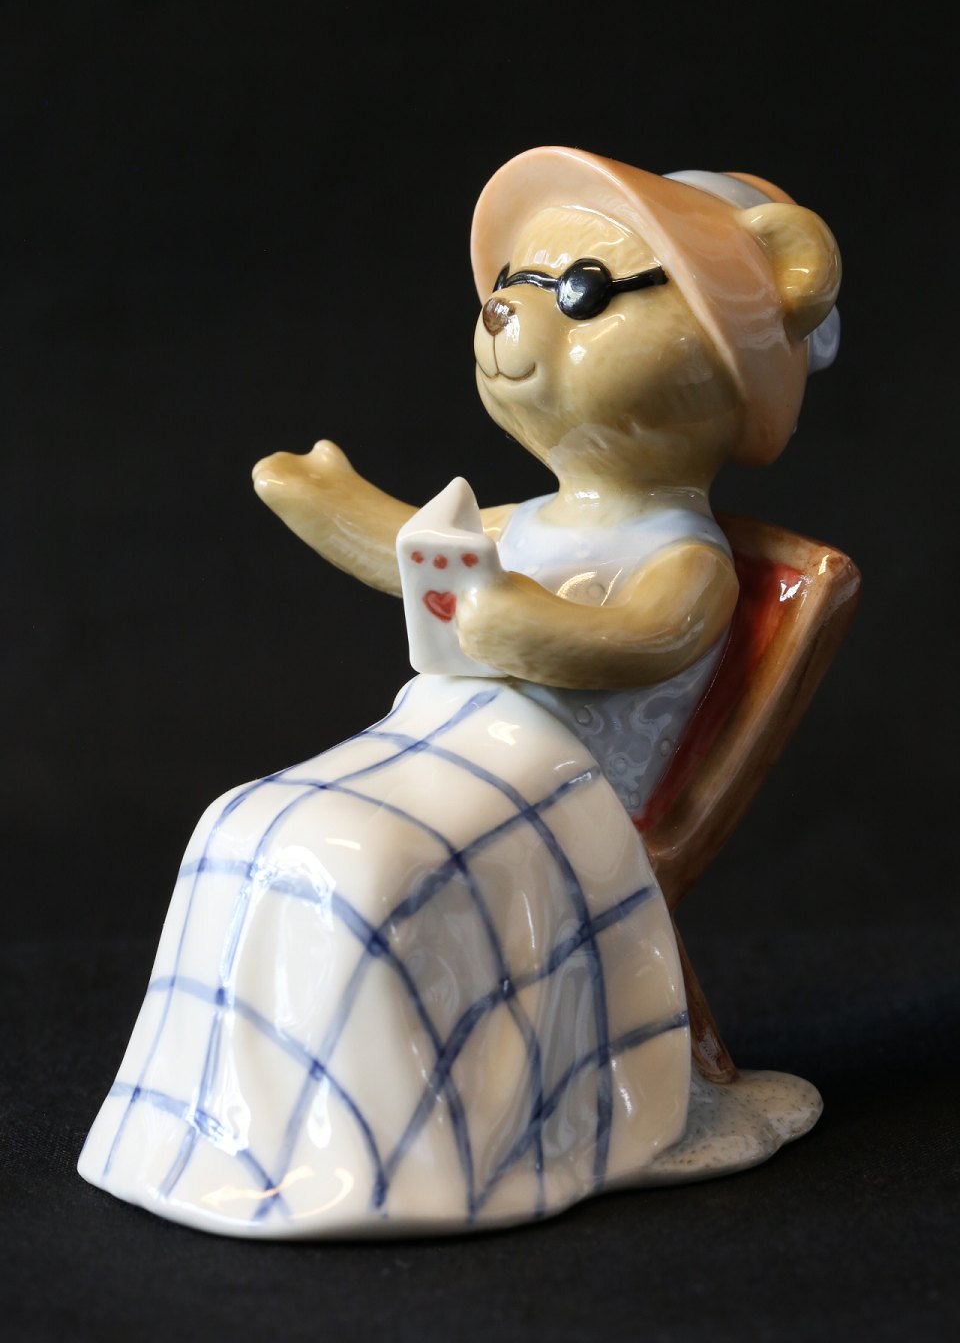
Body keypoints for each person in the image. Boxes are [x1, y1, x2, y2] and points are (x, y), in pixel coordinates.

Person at [78, 148, 841, 1237]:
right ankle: (220, 1136)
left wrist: (523, 626)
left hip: (558, 790)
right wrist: (334, 505)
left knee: (362, 863)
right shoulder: (523, 520)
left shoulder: (685, 557)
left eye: (581, 291)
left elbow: (639, 639)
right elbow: (417, 553)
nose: (510, 314)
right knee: (238, 823)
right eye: (511, 287)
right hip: (436, 743)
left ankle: (405, 1159)